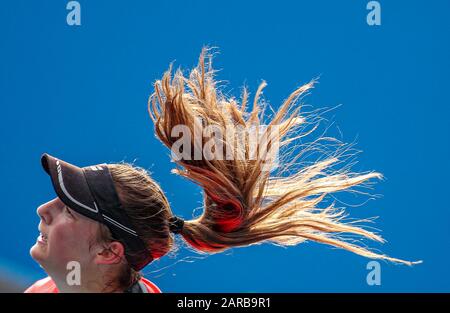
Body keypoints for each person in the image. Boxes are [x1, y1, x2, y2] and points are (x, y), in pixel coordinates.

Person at [26, 48, 419, 293]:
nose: (45, 209)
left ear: (110, 252)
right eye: (59, 201)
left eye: (69, 209)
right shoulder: (45, 289)